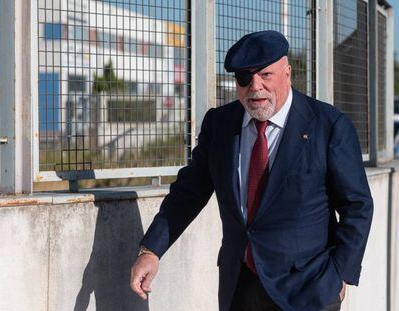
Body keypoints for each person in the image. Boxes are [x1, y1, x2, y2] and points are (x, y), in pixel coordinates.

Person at [130, 30, 373, 311]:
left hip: (309, 289)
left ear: (287, 73)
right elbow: (188, 192)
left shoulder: (329, 125)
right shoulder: (220, 125)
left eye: (265, 75)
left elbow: (357, 205)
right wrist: (151, 250)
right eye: (244, 78)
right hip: (240, 288)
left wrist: (341, 273)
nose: (255, 87)